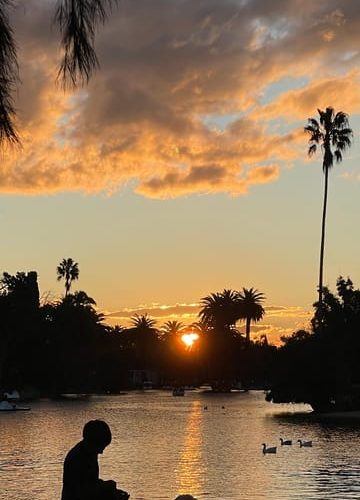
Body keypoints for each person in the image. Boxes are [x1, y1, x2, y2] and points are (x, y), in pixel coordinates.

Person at [61, 420, 130, 500]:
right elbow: (83, 491)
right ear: (92, 442)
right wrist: (107, 486)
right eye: (101, 446)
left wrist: (111, 490)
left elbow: (90, 482)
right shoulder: (78, 459)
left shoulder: (88, 453)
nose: (101, 451)